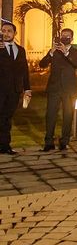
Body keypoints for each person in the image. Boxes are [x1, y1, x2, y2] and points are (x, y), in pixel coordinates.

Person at [40, 28, 77, 152]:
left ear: (72, 39)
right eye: (63, 36)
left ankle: (64, 141)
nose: (64, 38)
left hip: (69, 88)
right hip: (54, 87)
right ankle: (48, 141)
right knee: (51, 115)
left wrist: (66, 53)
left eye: (67, 36)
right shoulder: (54, 51)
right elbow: (42, 64)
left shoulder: (76, 52)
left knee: (68, 115)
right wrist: (51, 53)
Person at [0, 22, 31, 155]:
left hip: (14, 90)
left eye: (9, 31)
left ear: (14, 33)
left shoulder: (21, 50)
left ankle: (5, 146)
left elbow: (24, 70)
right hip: (0, 89)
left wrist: (27, 88)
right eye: (3, 31)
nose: (5, 33)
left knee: (7, 118)